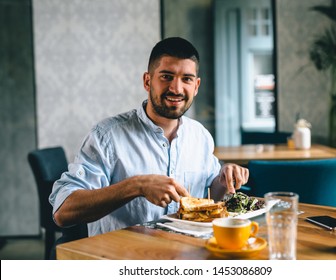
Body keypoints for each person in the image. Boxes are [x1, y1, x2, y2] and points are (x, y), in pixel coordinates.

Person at [49, 37, 249, 236]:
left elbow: (209, 197)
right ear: (147, 81)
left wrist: (223, 180)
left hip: (188, 256)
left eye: (186, 79)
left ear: (196, 86)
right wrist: (136, 186)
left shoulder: (201, 136)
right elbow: (63, 212)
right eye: (166, 76)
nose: (176, 89)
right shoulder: (106, 136)